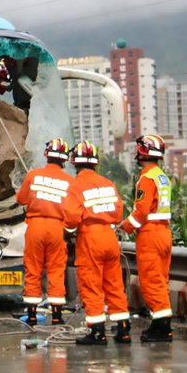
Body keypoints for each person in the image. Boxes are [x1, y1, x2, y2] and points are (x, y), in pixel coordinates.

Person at [63, 141, 131, 345]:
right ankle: (123, 329)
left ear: (75, 162)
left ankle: (97, 332)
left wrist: (68, 233)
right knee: (114, 285)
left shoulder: (75, 186)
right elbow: (119, 212)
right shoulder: (108, 183)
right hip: (110, 238)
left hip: (90, 238)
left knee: (91, 285)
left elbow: (72, 218)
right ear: (95, 163)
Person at [120, 134, 174, 342]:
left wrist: (126, 226)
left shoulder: (147, 177)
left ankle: (162, 328)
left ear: (142, 152)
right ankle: (161, 324)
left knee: (152, 282)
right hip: (164, 234)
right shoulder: (162, 176)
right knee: (161, 280)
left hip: (150, 234)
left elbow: (141, 211)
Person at [15, 138, 74, 325]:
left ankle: (32, 315)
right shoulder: (69, 181)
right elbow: (73, 211)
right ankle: (57, 316)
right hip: (57, 228)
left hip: (35, 226)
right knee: (56, 271)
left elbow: (21, 199)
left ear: (46, 155)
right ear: (64, 159)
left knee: (33, 270)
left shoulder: (33, 175)